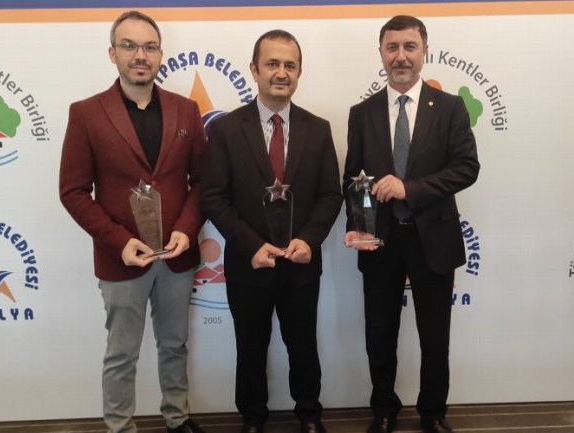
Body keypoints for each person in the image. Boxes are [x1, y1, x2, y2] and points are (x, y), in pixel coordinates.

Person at [59, 11, 207, 433]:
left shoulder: (186, 110)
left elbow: (203, 183)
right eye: (129, 46)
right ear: (113, 53)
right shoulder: (86, 113)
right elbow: (72, 192)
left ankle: (177, 417)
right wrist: (118, 241)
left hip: (176, 256)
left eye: (149, 47)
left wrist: (186, 229)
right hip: (121, 258)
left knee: (175, 344)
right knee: (121, 354)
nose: (140, 55)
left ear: (160, 54)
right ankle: (120, 426)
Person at [343, 15, 480, 433]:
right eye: (392, 47)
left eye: (409, 46)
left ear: (425, 52)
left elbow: (466, 168)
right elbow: (353, 179)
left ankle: (433, 413)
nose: (400, 56)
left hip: (434, 239)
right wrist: (357, 224)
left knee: (435, 337)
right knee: (380, 333)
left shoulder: (451, 107)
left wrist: (409, 188)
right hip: (379, 240)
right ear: (381, 53)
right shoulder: (361, 113)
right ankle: (384, 411)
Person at [200, 30, 342, 433]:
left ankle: (309, 414)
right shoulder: (226, 130)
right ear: (254, 69)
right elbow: (213, 197)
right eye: (273, 64)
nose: (282, 73)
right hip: (249, 265)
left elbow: (331, 195)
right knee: (250, 348)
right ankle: (253, 418)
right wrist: (251, 245)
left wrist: (309, 240)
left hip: (300, 263)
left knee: (304, 345)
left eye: (290, 65)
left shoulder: (318, 129)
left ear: (299, 72)